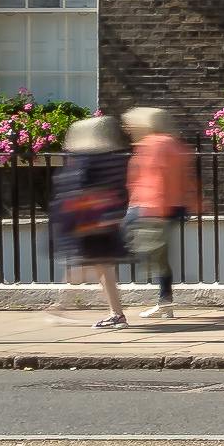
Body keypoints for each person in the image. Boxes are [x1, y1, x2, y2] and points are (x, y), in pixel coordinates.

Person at [52, 111, 133, 327]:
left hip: (87, 219)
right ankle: (61, 307)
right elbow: (121, 189)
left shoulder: (85, 159)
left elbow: (76, 186)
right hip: (106, 219)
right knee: (95, 265)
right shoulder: (115, 158)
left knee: (94, 265)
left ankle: (115, 314)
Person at [120, 107, 195, 320]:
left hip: (150, 205)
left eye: (129, 125)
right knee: (160, 257)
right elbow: (186, 177)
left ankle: (164, 299)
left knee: (116, 244)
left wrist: (156, 208)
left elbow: (157, 176)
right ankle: (165, 302)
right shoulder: (174, 144)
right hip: (171, 205)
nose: (127, 129)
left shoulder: (153, 144)